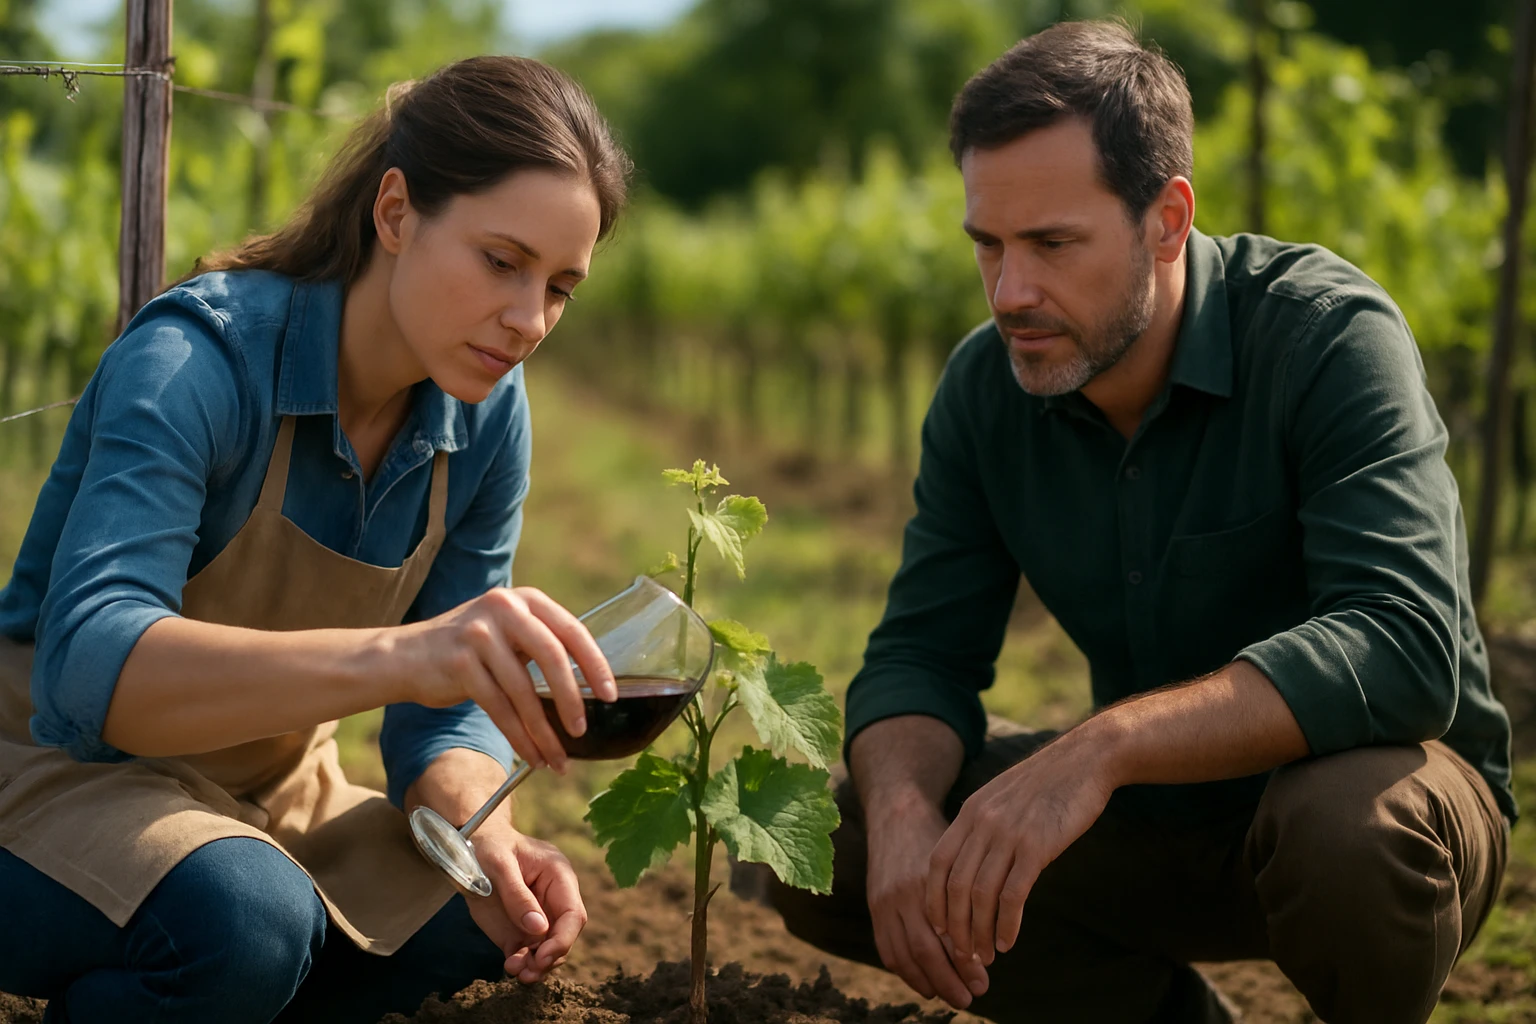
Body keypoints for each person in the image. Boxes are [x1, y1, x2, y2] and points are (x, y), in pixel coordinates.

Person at [757, 20, 1515, 1024]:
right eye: (987, 244)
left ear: (1167, 218)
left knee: (1348, 829)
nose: (1009, 292)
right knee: (834, 835)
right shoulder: (986, 388)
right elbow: (920, 653)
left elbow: (1407, 642)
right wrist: (902, 817)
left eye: (1052, 245)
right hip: (1158, 814)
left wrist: (1102, 747)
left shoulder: (1327, 337)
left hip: (1372, 809)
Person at [0, 55, 632, 1024]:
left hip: (265, 794)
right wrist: (404, 654)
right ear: (394, 212)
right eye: (502, 261)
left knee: (489, 923)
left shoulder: (487, 418)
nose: (527, 318)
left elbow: (443, 715)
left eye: (560, 287)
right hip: (52, 777)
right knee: (248, 922)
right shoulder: (194, 361)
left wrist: (479, 818)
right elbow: (90, 675)